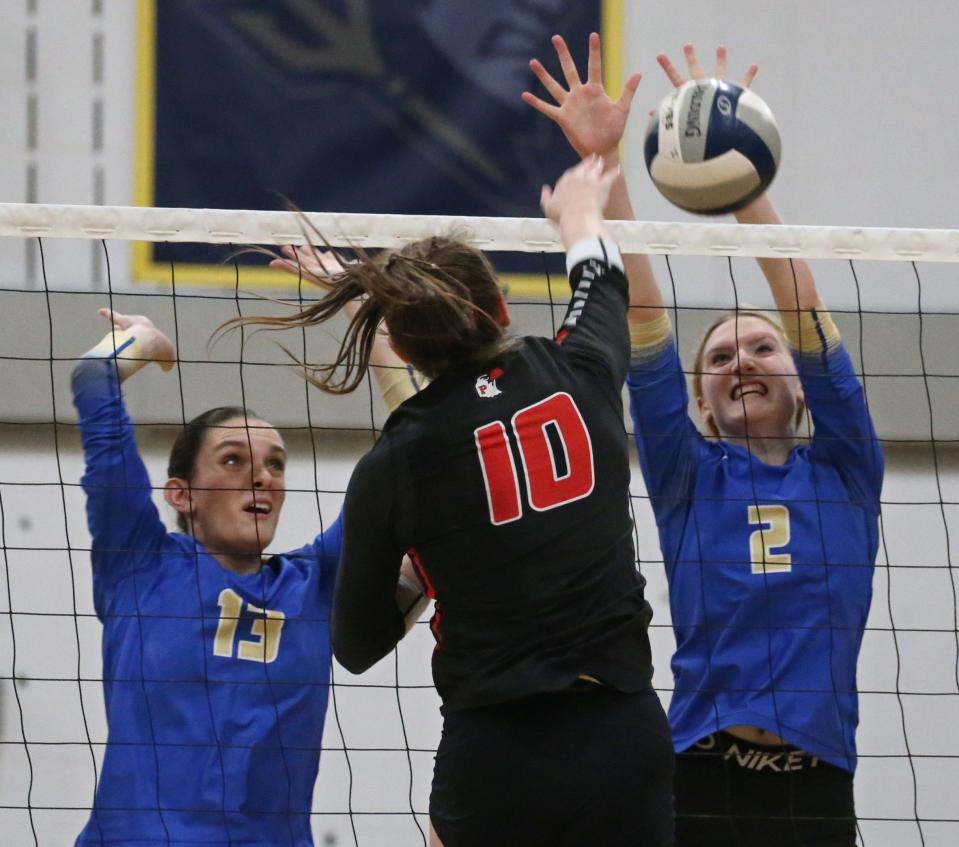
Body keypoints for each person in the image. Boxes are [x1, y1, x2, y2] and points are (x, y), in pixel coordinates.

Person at [239, 158, 675, 846]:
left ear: (407, 344)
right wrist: (576, 211)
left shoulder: (395, 460)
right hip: (619, 735)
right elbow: (601, 277)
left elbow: (354, 644)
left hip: (495, 755)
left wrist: (422, 573)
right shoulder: (575, 370)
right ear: (501, 307)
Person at [525, 35, 882, 846]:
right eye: (719, 357)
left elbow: (800, 301)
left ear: (800, 381)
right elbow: (643, 314)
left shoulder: (847, 465)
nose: (741, 363)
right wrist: (607, 165)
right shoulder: (685, 472)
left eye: (761, 349)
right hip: (696, 778)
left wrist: (738, 181)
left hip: (817, 785)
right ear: (697, 396)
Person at [71, 255, 427, 846]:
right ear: (181, 493)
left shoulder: (312, 582)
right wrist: (140, 341)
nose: (261, 477)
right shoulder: (140, 563)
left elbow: (420, 433)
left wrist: (365, 305)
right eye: (233, 460)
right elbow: (92, 378)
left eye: (275, 465)